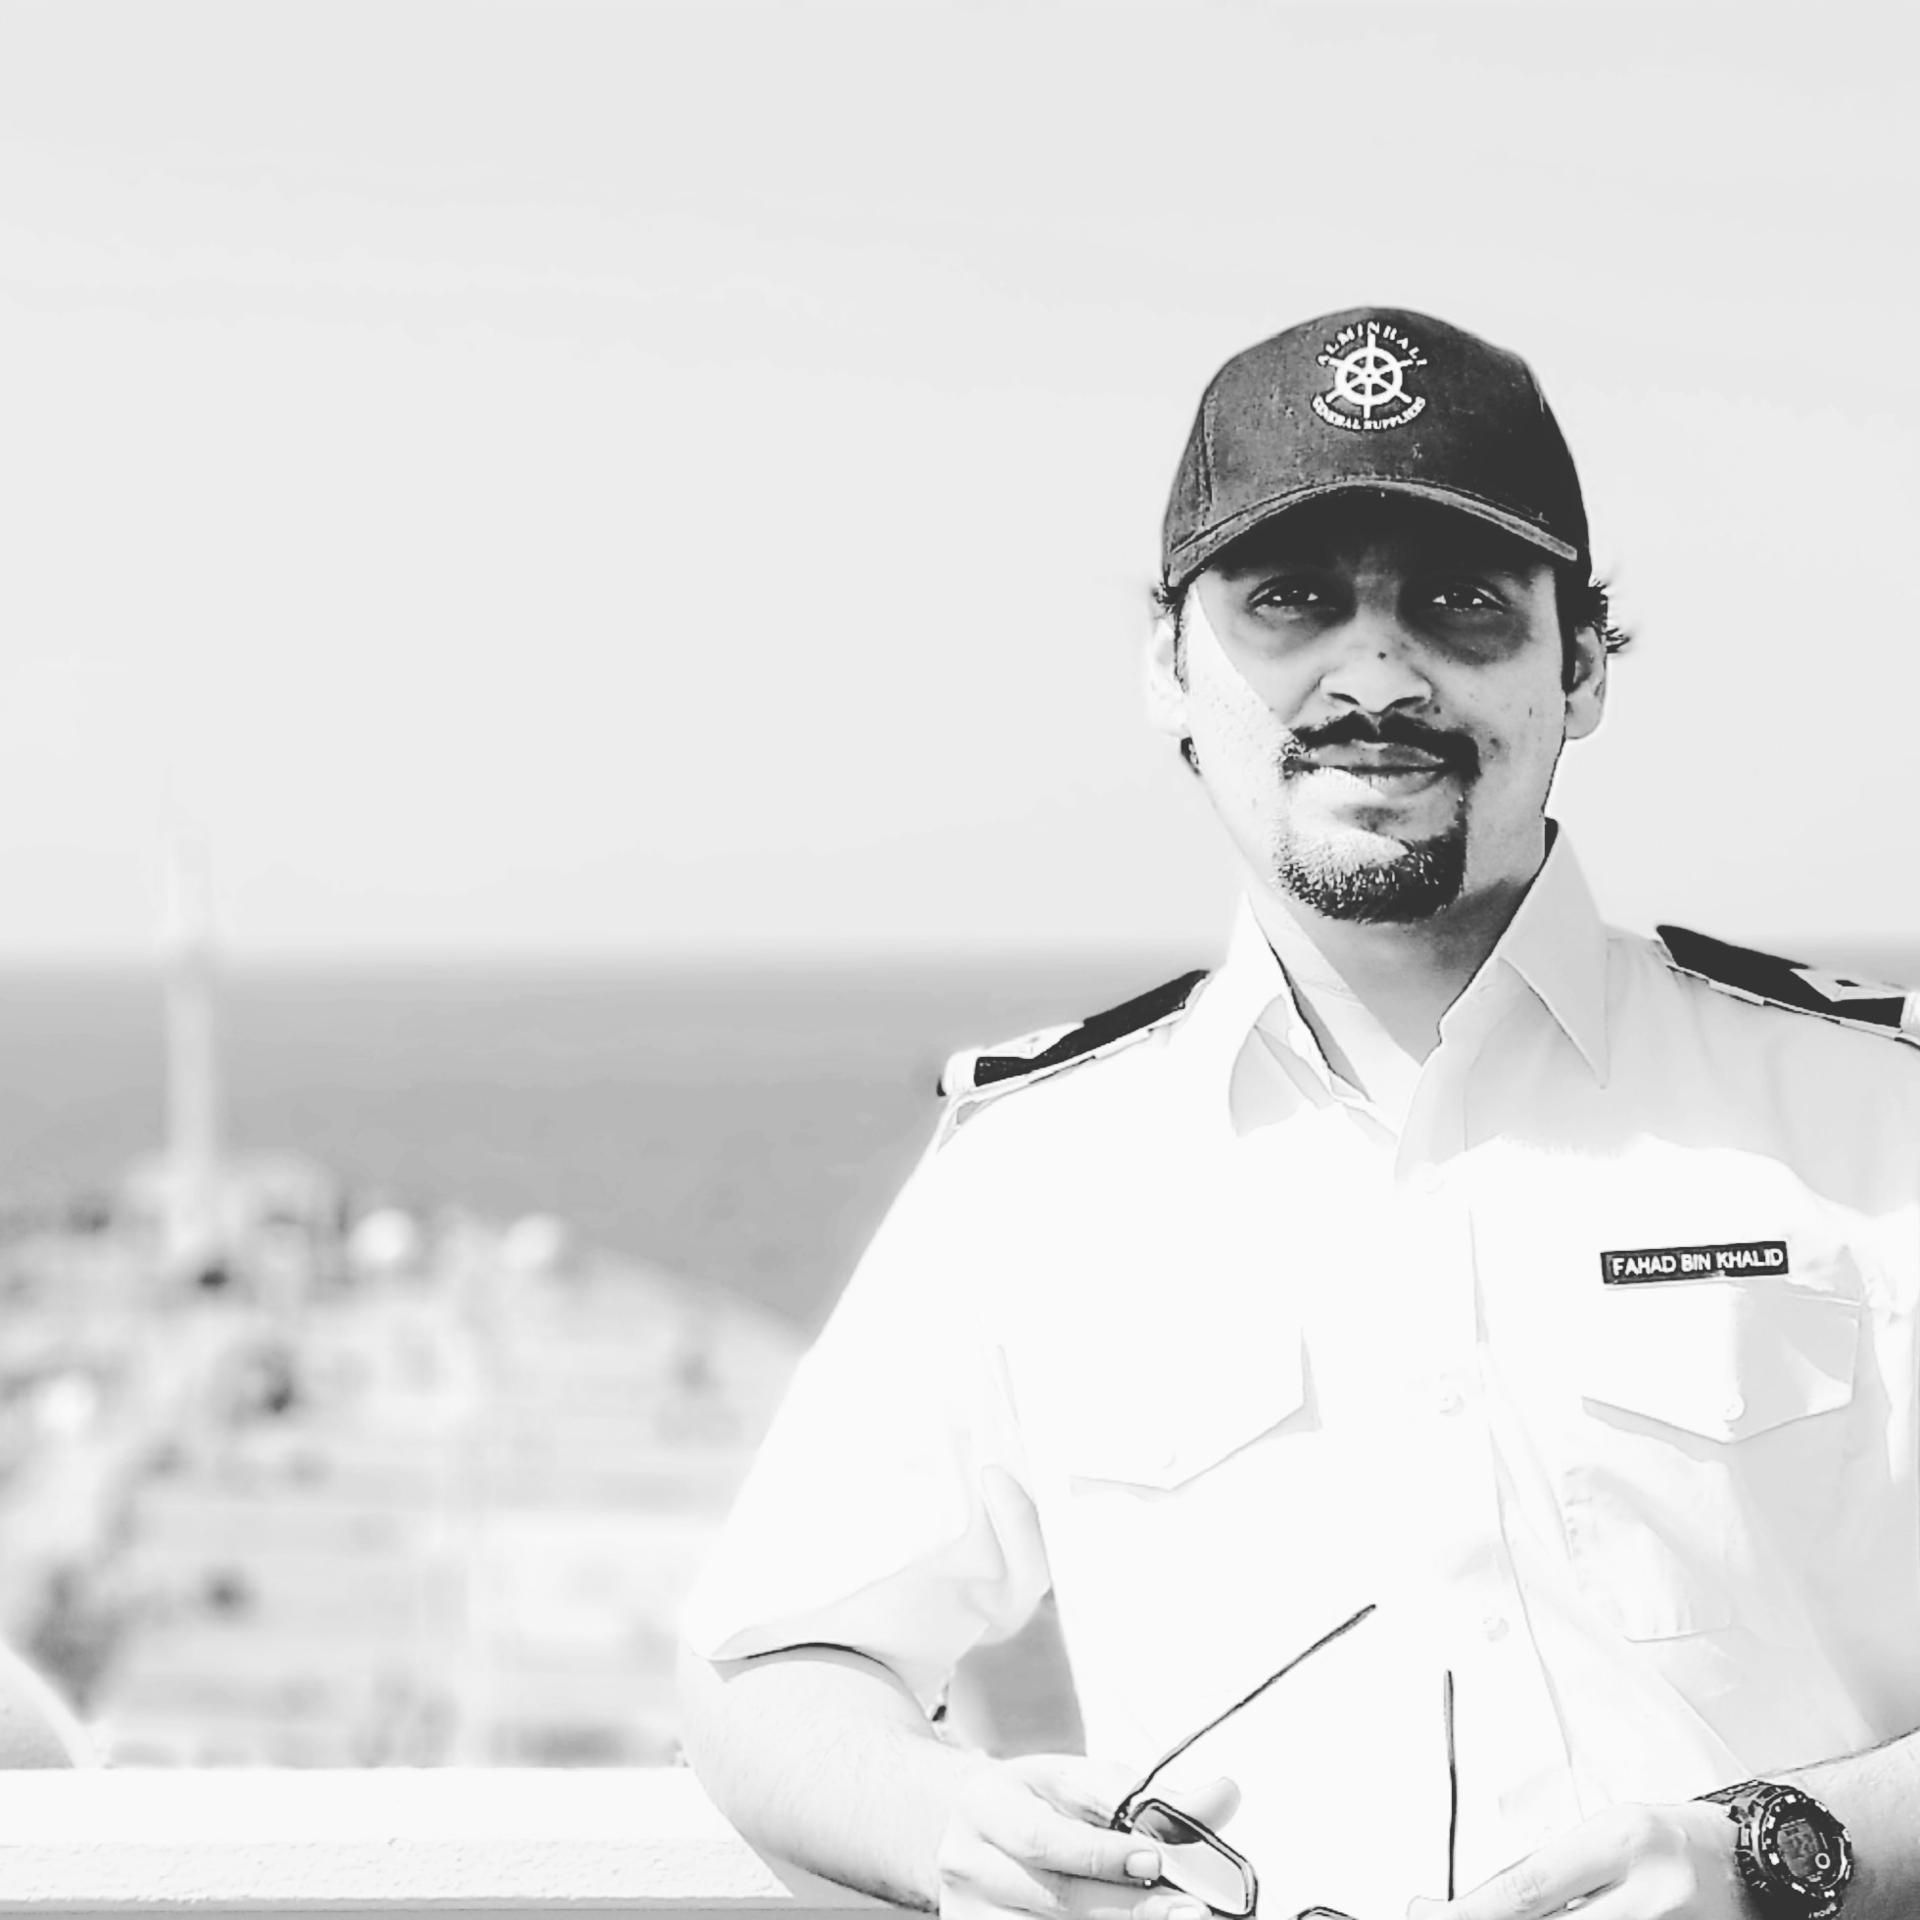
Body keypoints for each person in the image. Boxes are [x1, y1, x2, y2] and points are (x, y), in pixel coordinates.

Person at [676, 307, 1920, 1920]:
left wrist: (1773, 1859)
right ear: (1169, 670)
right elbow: (774, 1668)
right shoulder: (1037, 1170)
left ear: (1583, 667)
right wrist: (946, 1819)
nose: (1378, 674)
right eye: (1292, 600)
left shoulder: (1869, 1116)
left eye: (1463, 603)